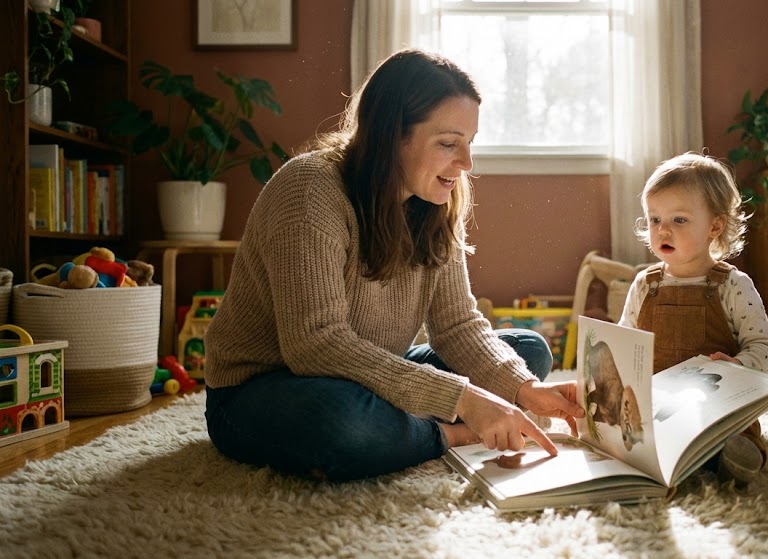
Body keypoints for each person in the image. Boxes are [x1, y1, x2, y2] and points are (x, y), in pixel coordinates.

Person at [203, 48, 584, 483]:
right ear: (391, 135)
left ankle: (405, 429)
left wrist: (524, 389)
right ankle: (445, 435)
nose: (466, 164)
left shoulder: (438, 200)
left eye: (469, 144)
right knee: (341, 422)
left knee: (526, 352)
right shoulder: (309, 189)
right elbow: (314, 345)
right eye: (447, 144)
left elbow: (457, 325)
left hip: (370, 367)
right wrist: (465, 401)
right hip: (266, 388)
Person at [618, 151, 768, 485]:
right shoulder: (644, 284)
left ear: (715, 226)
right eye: (654, 219)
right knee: (631, 435)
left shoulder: (733, 285)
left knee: (735, 434)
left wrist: (739, 365)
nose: (662, 230)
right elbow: (624, 341)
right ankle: (664, 452)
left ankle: (732, 455)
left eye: (679, 220)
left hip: (717, 406)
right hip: (659, 408)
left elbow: (764, 346)